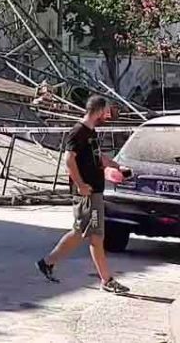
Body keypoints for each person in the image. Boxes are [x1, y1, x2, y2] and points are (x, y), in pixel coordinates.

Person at [36, 95, 131, 293]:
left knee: (93, 236)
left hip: (94, 191)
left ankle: (105, 279)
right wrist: (80, 185)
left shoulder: (91, 132)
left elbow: (98, 157)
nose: (108, 114)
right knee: (84, 232)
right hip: (87, 193)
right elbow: (69, 160)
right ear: (98, 110)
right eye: (106, 111)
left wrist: (117, 166)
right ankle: (50, 262)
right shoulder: (78, 132)